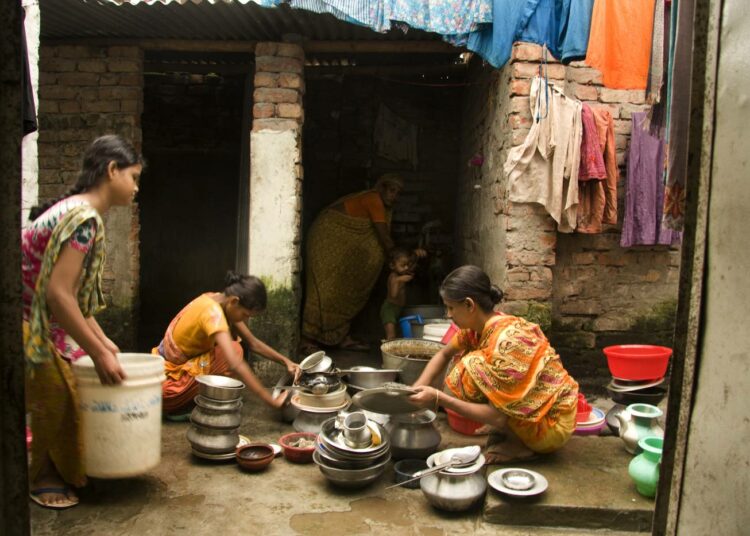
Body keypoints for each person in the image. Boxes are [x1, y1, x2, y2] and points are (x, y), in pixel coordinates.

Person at [22, 134, 143, 509]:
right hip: (27, 320)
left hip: (40, 317)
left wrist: (105, 343)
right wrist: (97, 352)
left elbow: (74, 301)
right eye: (134, 177)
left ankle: (66, 464)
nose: (136, 187)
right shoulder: (83, 220)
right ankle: (42, 474)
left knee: (86, 370)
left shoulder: (79, 211)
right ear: (112, 170)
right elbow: (59, 295)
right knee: (59, 392)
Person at [409, 265, 579, 464]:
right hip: (537, 412)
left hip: (553, 425)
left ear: (470, 305)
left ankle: (521, 447)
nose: (448, 314)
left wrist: (438, 398)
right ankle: (513, 431)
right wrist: (416, 388)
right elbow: (444, 354)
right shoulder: (477, 328)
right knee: (471, 364)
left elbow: (497, 418)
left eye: (451, 307)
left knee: (471, 365)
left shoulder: (507, 343)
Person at [300, 173, 424, 353]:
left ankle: (339, 337)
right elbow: (383, 237)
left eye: (398, 193)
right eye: (391, 191)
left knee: (342, 289)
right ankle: (306, 340)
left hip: (339, 245)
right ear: (381, 188)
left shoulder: (382, 204)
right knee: (324, 290)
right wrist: (404, 258)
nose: (394, 196)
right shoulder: (373, 199)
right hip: (326, 239)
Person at [153, 272, 299, 416]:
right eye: (245, 315)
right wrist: (271, 401)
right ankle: (196, 400)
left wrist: (286, 362)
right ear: (234, 301)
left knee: (233, 347)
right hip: (168, 383)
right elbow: (235, 363)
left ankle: (200, 394)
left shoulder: (217, 299)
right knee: (234, 352)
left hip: (180, 366)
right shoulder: (213, 314)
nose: (245, 319)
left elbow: (252, 343)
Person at [381, 247, 417, 340]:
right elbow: (393, 295)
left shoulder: (401, 274)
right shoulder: (394, 277)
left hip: (398, 309)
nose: (406, 267)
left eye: (407, 265)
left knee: (399, 335)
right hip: (389, 310)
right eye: (403, 265)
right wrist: (398, 280)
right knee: (391, 336)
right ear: (392, 266)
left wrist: (416, 253)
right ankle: (387, 353)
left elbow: (412, 265)